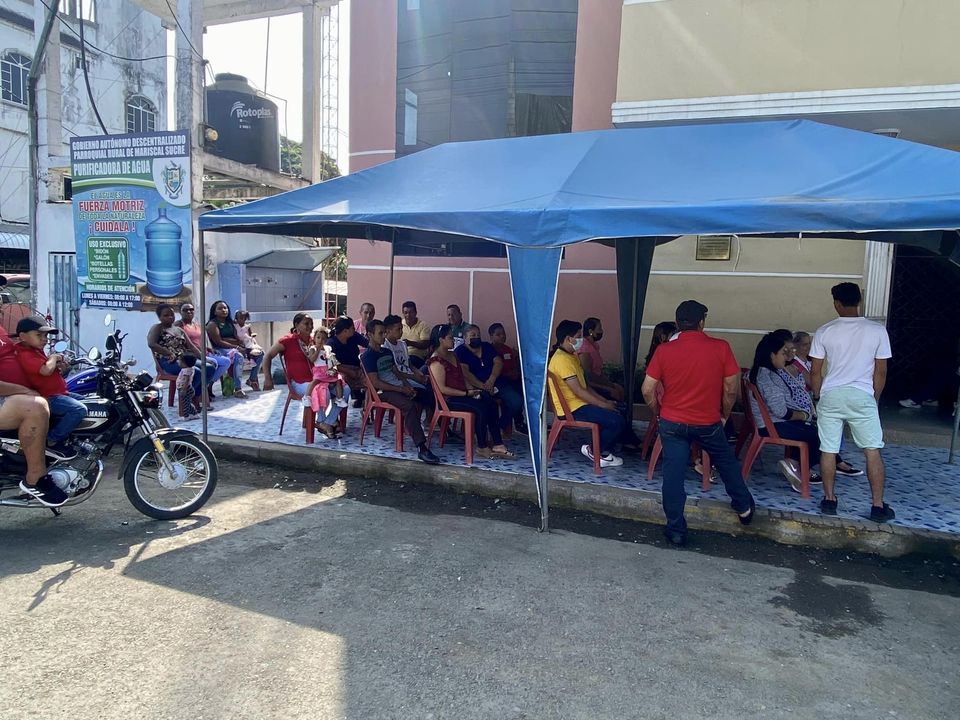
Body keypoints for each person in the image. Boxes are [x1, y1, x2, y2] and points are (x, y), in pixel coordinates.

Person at [641, 301, 755, 547]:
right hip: (708, 421)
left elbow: (647, 389)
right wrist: (725, 414)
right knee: (726, 462)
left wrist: (658, 412)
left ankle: (676, 530)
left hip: (672, 421)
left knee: (673, 474)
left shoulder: (664, 351)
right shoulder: (721, 347)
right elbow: (731, 388)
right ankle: (744, 507)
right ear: (701, 323)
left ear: (677, 323)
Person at [809, 282, 894, 522]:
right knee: (872, 451)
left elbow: (815, 371)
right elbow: (881, 371)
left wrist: (817, 396)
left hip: (831, 395)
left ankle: (829, 500)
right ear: (859, 301)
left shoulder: (824, 331)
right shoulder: (877, 330)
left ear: (836, 303)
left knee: (828, 449)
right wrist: (874, 398)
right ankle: (877, 506)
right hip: (862, 395)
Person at [427, 324, 514, 459]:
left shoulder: (452, 355)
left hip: (463, 393)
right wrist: (467, 394)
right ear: (441, 340)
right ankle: (482, 446)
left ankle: (498, 443)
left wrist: (473, 390)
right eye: (450, 337)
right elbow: (442, 389)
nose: (453, 340)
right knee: (480, 407)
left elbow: (463, 376)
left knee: (489, 401)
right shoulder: (436, 360)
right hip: (449, 399)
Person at [0, 324, 64, 507]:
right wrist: (24, 390)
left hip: (13, 395)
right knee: (36, 406)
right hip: (8, 396)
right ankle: (35, 477)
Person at [547, 320, 625, 469]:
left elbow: (585, 387)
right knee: (616, 420)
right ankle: (597, 451)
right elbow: (578, 390)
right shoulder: (561, 360)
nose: (581, 340)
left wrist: (604, 401)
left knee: (619, 410)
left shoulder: (571, 356)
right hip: (572, 409)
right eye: (578, 336)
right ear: (568, 339)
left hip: (580, 404)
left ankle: (607, 448)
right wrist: (603, 405)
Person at [362, 320, 440, 464]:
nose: (384, 336)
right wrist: (400, 389)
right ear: (370, 335)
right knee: (409, 406)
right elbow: (375, 382)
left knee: (429, 396)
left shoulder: (386, 352)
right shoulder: (368, 356)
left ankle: (446, 431)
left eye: (384, 332)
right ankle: (422, 448)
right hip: (383, 392)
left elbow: (397, 372)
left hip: (398, 386)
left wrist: (407, 386)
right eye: (380, 333)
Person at [262, 312, 347, 439]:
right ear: (296, 325)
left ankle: (328, 422)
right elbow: (267, 356)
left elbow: (327, 358)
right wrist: (268, 379)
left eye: (311, 324)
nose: (310, 327)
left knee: (346, 389)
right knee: (324, 392)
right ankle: (322, 421)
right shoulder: (287, 340)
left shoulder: (315, 340)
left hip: (320, 380)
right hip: (299, 383)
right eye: (306, 324)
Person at [16, 316, 88, 461]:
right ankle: (52, 440)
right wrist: (53, 358)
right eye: (39, 335)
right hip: (48, 397)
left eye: (46, 336)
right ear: (23, 336)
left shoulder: (36, 351)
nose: (44, 339)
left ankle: (78, 439)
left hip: (60, 393)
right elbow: (45, 370)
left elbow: (50, 371)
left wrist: (61, 367)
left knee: (91, 402)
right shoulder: (25, 354)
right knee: (79, 409)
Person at [148, 303, 222, 411]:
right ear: (159, 317)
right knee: (195, 371)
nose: (170, 317)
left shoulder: (179, 330)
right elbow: (152, 344)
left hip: (185, 359)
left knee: (209, 368)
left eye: (172, 315)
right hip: (169, 362)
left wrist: (204, 359)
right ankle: (187, 399)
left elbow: (191, 347)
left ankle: (194, 395)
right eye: (166, 315)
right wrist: (169, 353)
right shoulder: (157, 328)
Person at [456, 324, 524, 436]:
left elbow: (498, 362)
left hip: (497, 382)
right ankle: (489, 434)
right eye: (473, 335)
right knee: (489, 405)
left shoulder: (486, 346)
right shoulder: (461, 351)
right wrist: (483, 386)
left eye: (478, 335)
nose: (476, 337)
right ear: (465, 337)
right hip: (477, 386)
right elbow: (465, 373)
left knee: (517, 401)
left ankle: (500, 425)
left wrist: (492, 379)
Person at [207, 300, 263, 398]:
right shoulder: (213, 324)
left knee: (260, 353)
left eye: (225, 308)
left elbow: (238, 337)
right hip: (220, 349)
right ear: (214, 311)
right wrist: (236, 346)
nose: (224, 310)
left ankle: (252, 379)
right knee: (239, 356)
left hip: (234, 347)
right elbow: (219, 342)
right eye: (220, 308)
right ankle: (238, 389)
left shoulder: (231, 323)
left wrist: (237, 343)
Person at [175, 302, 231, 394]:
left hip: (204, 352)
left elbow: (199, 341)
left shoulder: (197, 325)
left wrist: (208, 348)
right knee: (213, 363)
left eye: (191, 310)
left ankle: (208, 384)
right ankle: (203, 389)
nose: (189, 312)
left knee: (226, 361)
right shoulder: (179, 325)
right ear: (180, 312)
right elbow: (183, 344)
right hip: (192, 355)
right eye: (185, 310)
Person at [383, 314, 433, 410]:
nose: (401, 332)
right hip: (400, 380)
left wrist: (420, 374)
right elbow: (395, 371)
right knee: (427, 395)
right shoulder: (385, 346)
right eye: (398, 329)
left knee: (432, 385)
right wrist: (415, 377)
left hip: (410, 377)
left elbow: (410, 365)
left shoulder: (402, 344)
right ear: (389, 330)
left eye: (402, 328)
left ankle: (430, 416)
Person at [488, 322, 527, 433]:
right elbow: (492, 371)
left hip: (512, 381)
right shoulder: (489, 351)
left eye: (503, 333)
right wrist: (507, 374)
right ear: (491, 336)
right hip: (499, 383)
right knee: (516, 400)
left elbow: (513, 366)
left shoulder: (508, 350)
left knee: (525, 393)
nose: (502, 336)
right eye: (498, 334)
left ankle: (519, 422)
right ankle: (502, 424)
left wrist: (516, 370)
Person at [301, 326, 347, 413]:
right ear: (314, 338)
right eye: (318, 337)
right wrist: (318, 350)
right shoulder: (313, 348)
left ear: (326, 340)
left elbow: (331, 359)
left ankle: (339, 398)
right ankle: (306, 396)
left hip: (328, 370)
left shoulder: (328, 348)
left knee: (338, 381)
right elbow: (312, 359)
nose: (320, 340)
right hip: (319, 370)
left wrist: (333, 368)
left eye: (323, 339)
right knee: (315, 381)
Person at [578, 317, 625, 402]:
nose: (602, 331)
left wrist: (608, 383)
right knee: (615, 393)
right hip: (591, 385)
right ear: (591, 331)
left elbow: (599, 370)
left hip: (599, 381)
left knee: (620, 389)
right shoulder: (584, 348)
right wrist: (606, 385)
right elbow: (588, 375)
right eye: (599, 329)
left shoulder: (594, 346)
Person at [329, 316, 369, 405]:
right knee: (343, 385)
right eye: (352, 328)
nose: (354, 329)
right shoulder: (331, 343)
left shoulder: (354, 336)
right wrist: (348, 371)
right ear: (345, 331)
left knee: (371, 382)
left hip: (356, 368)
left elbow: (368, 344)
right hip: (340, 370)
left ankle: (366, 405)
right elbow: (331, 363)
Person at [234, 310, 265, 389]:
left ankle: (252, 378)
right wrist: (239, 343)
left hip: (248, 342)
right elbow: (235, 336)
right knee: (251, 354)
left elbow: (251, 335)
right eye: (241, 318)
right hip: (239, 344)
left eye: (244, 318)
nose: (243, 320)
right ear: (236, 318)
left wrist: (253, 338)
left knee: (261, 353)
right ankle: (252, 379)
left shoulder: (247, 326)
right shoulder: (235, 326)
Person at [401, 301, 432, 368]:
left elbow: (425, 344)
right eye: (405, 313)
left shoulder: (423, 325)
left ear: (415, 313)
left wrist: (410, 343)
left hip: (417, 358)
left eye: (411, 312)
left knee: (410, 360)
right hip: (401, 356)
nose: (408, 315)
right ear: (403, 313)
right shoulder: (400, 325)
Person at [176, 354, 200, 420]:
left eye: (180, 361)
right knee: (187, 403)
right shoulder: (187, 369)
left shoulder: (187, 370)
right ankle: (194, 414)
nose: (178, 362)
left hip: (186, 389)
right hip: (184, 388)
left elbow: (187, 380)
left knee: (185, 404)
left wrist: (184, 389)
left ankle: (186, 416)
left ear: (185, 363)